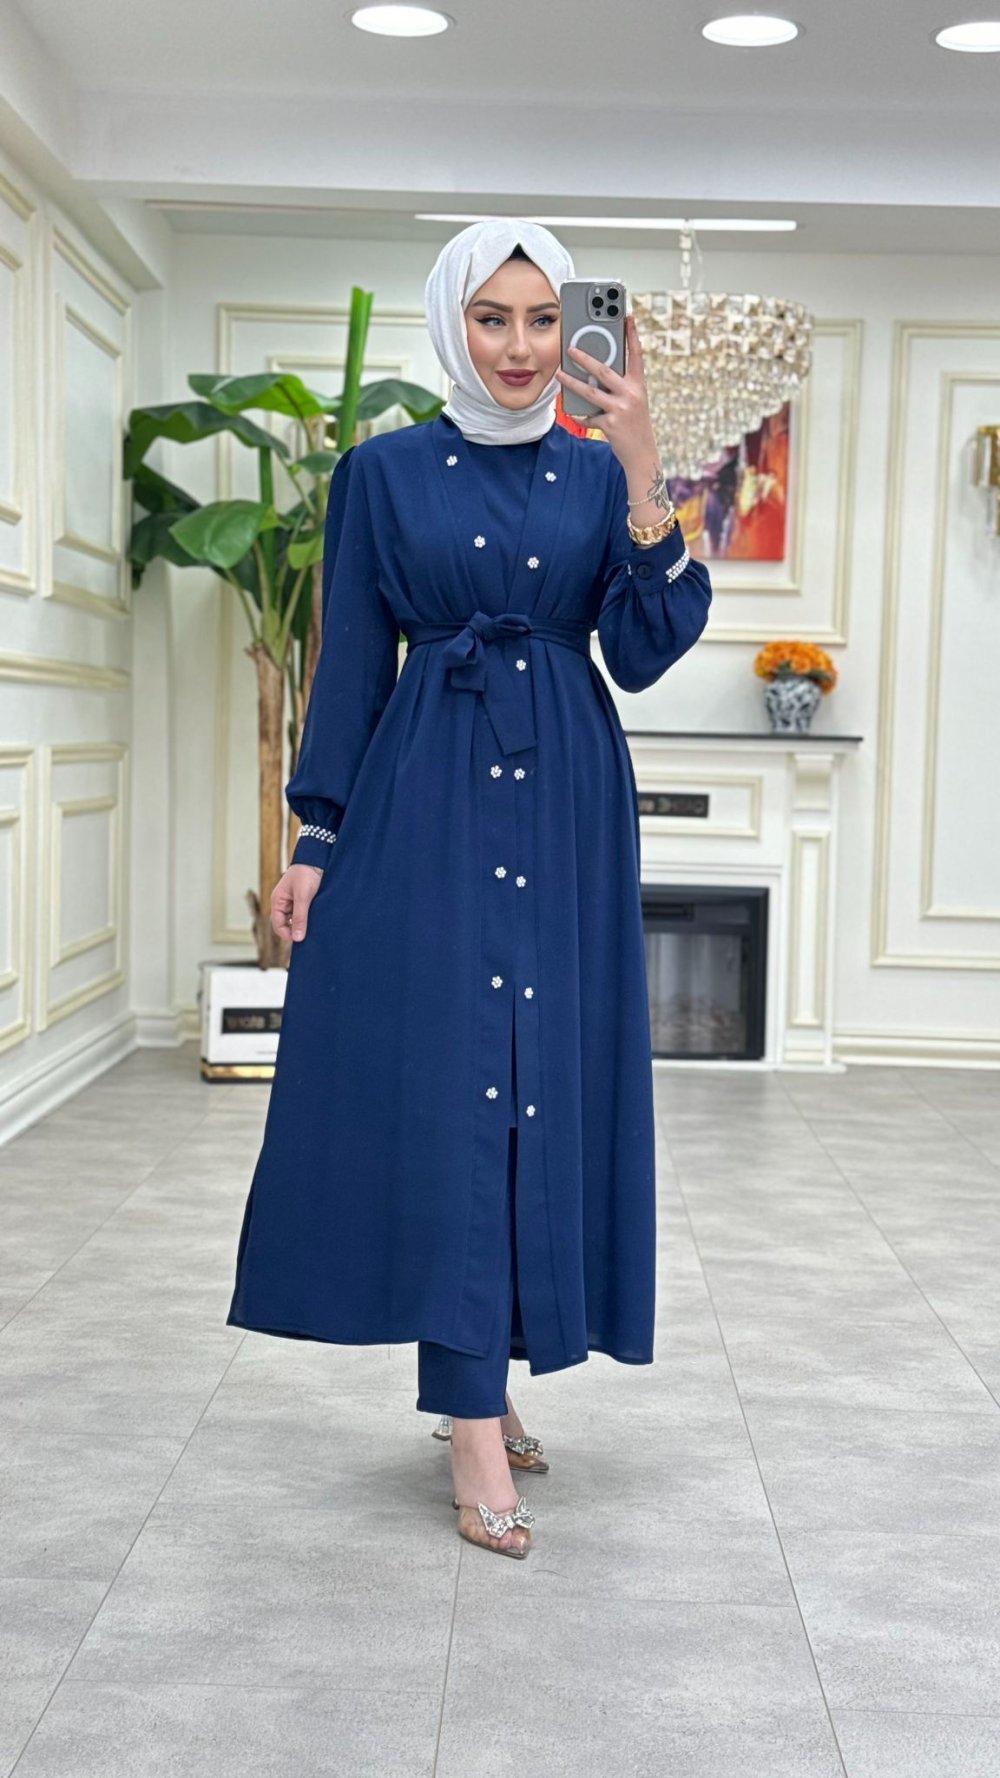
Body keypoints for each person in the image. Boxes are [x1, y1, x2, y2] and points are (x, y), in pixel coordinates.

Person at [226, 219, 713, 1561]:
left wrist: (643, 470)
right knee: (451, 1093)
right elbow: (349, 661)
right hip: (426, 796)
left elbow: (646, 647)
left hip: (566, 803)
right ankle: (469, 1413)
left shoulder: (594, 471)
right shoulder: (381, 474)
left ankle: (487, 1377)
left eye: (543, 319)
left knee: (535, 1084)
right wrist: (316, 837)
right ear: (453, 321)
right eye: (492, 318)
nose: (520, 346)